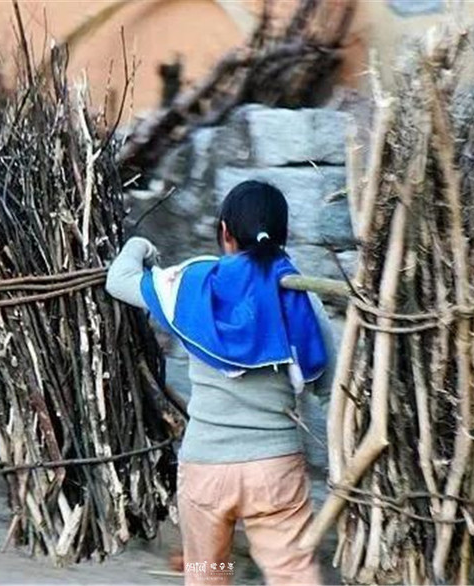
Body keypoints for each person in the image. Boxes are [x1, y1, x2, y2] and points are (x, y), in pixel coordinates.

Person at [106, 180, 336, 585]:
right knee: (293, 575)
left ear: (226, 232)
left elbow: (118, 279)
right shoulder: (302, 299)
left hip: (205, 468)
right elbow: (331, 393)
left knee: (207, 575)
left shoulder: (193, 289)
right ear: (282, 235)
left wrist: (141, 246)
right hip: (276, 469)